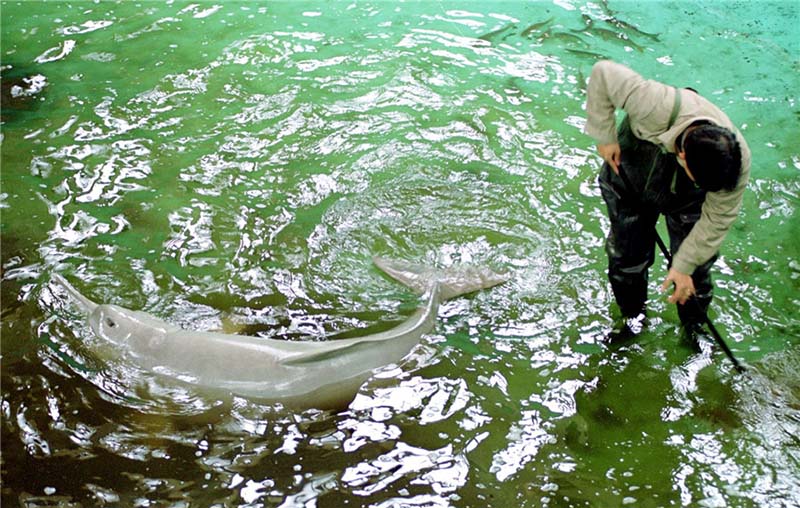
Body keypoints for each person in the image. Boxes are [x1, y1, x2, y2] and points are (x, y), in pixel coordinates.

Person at [584, 60, 750, 343]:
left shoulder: (733, 165)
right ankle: (633, 320)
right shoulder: (653, 103)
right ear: (683, 156)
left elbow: (716, 221)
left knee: (695, 270)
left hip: (688, 201)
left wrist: (683, 265)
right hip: (630, 173)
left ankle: (694, 331)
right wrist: (604, 134)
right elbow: (603, 72)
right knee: (627, 258)